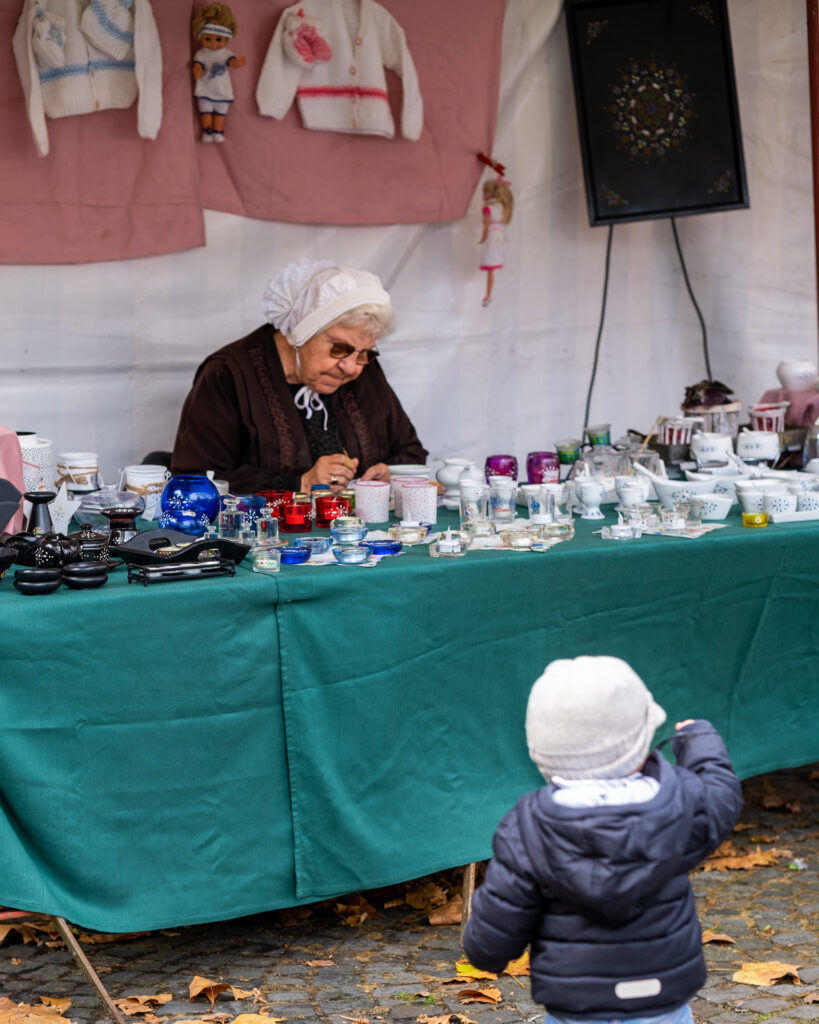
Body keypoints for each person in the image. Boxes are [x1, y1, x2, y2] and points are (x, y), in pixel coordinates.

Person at [462, 655, 743, 1024]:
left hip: (575, 1010)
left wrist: (485, 950)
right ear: (640, 744)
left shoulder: (527, 830)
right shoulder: (680, 804)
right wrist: (699, 740)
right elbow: (722, 795)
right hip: (663, 1003)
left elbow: (489, 946)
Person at [171, 258, 427, 494]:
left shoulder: (364, 370)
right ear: (301, 333)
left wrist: (389, 472)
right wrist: (299, 484)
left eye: (365, 353)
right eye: (340, 349)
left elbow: (411, 452)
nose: (352, 367)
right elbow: (193, 481)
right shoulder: (228, 376)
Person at [191, 3, 246, 143]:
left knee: (221, 113)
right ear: (201, 37)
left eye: (219, 40)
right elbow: (197, 64)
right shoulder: (201, 53)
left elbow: (231, 62)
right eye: (208, 39)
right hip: (205, 88)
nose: (213, 44)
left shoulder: (226, 53)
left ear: (227, 39)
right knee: (205, 112)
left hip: (222, 89)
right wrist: (197, 70)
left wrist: (237, 63)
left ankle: (218, 131)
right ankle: (207, 131)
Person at [479, 176, 513, 307]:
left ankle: (488, 295)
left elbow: (486, 226)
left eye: (485, 192)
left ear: (490, 192)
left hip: (492, 238)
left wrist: (483, 237)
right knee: (492, 268)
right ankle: (488, 295)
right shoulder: (501, 207)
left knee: (490, 268)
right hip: (500, 237)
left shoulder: (488, 208)